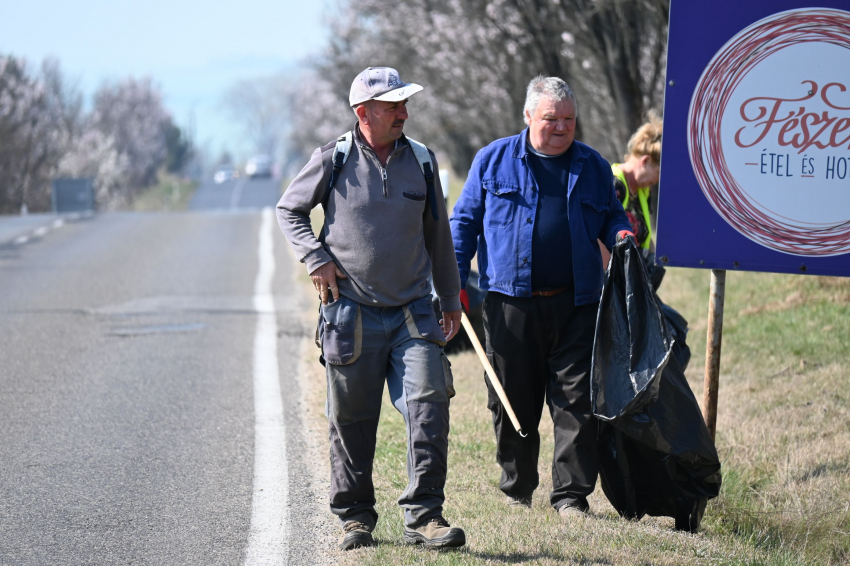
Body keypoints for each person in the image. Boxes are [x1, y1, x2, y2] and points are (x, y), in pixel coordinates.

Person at [276, 67, 465, 550]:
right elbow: (288, 211)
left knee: (428, 405)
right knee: (352, 419)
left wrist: (450, 299)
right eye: (392, 106)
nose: (404, 113)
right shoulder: (332, 159)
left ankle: (425, 518)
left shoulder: (422, 160)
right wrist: (316, 260)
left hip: (412, 313)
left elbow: (438, 236)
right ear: (364, 113)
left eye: (405, 104)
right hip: (350, 312)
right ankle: (356, 518)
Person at [450, 75, 633, 519]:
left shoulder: (592, 166)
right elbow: (463, 225)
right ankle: (518, 489)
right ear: (529, 115)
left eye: (569, 119)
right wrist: (453, 284)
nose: (561, 127)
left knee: (577, 401)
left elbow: (610, 215)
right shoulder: (491, 161)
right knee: (513, 399)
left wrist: (621, 233)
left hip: (578, 304)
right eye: (552, 118)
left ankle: (571, 496)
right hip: (509, 304)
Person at [612, 112, 662, 252]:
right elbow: (600, 239)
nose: (658, 181)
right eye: (659, 173)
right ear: (645, 161)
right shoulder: (614, 184)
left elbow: (645, 234)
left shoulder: (643, 191)